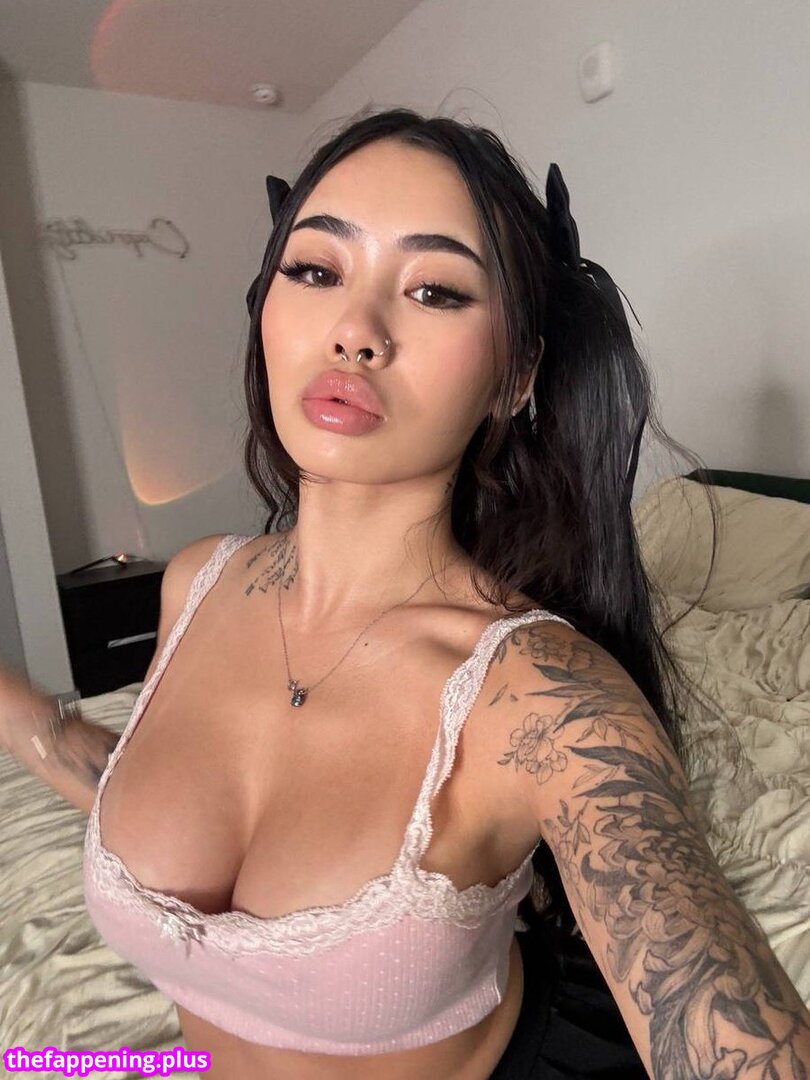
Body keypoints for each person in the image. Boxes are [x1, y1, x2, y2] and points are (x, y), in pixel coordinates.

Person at [2, 106, 809, 1080]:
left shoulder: (549, 700)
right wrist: (28, 718)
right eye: (315, 270)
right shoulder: (196, 582)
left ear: (515, 375)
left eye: (434, 290)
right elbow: (128, 779)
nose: (355, 330)